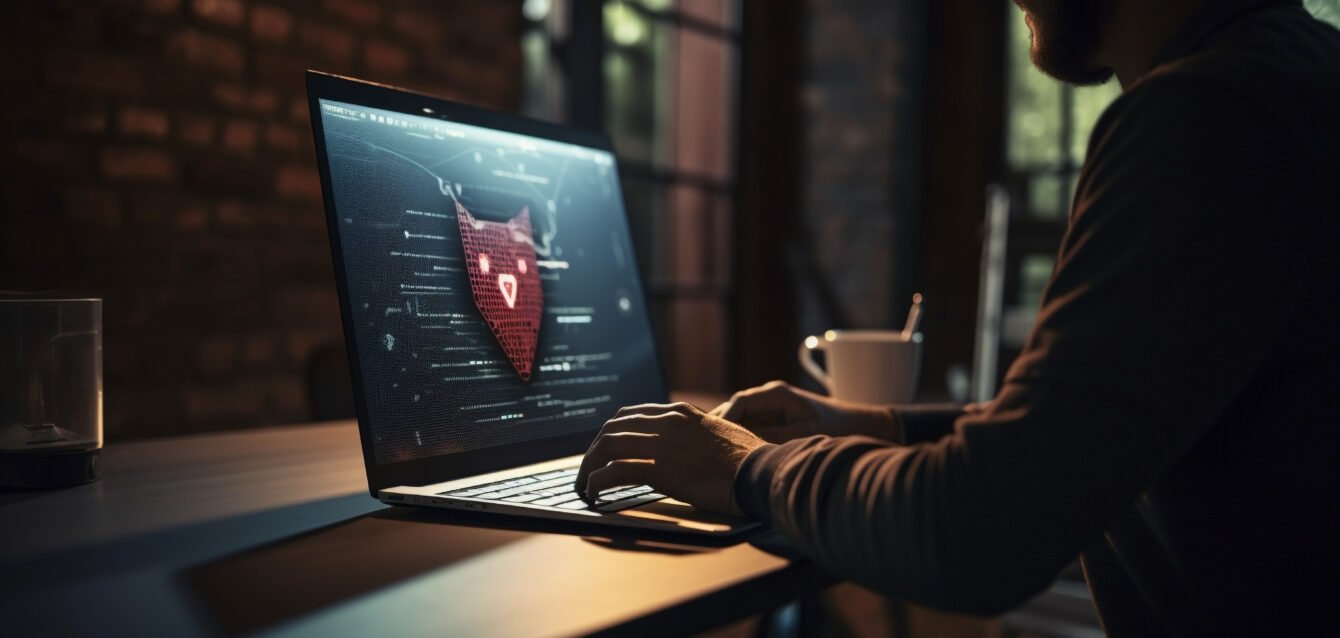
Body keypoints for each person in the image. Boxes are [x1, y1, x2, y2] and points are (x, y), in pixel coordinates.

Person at [575, 0, 1339, 634]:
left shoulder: (1213, 116)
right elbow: (1082, 441)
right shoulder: (1292, 75)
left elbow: (978, 530)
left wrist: (744, 468)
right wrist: (872, 426)